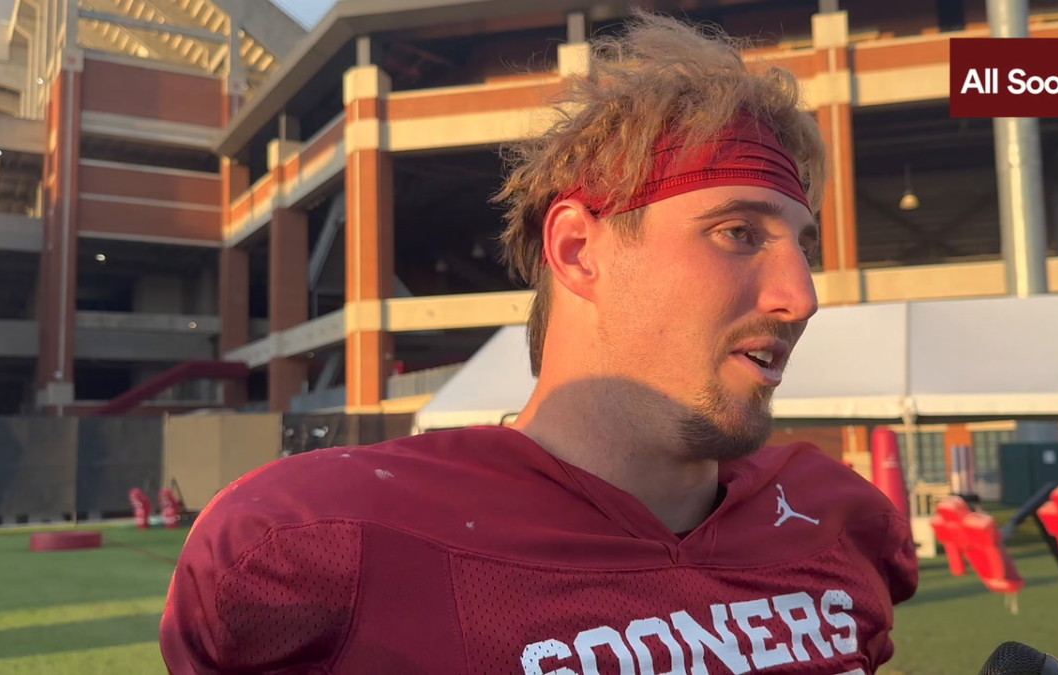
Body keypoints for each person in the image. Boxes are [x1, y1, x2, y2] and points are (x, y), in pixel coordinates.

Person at [160, 11, 918, 674]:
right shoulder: (330, 551)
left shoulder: (833, 522)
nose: (802, 295)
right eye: (737, 232)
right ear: (579, 250)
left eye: (801, 244)